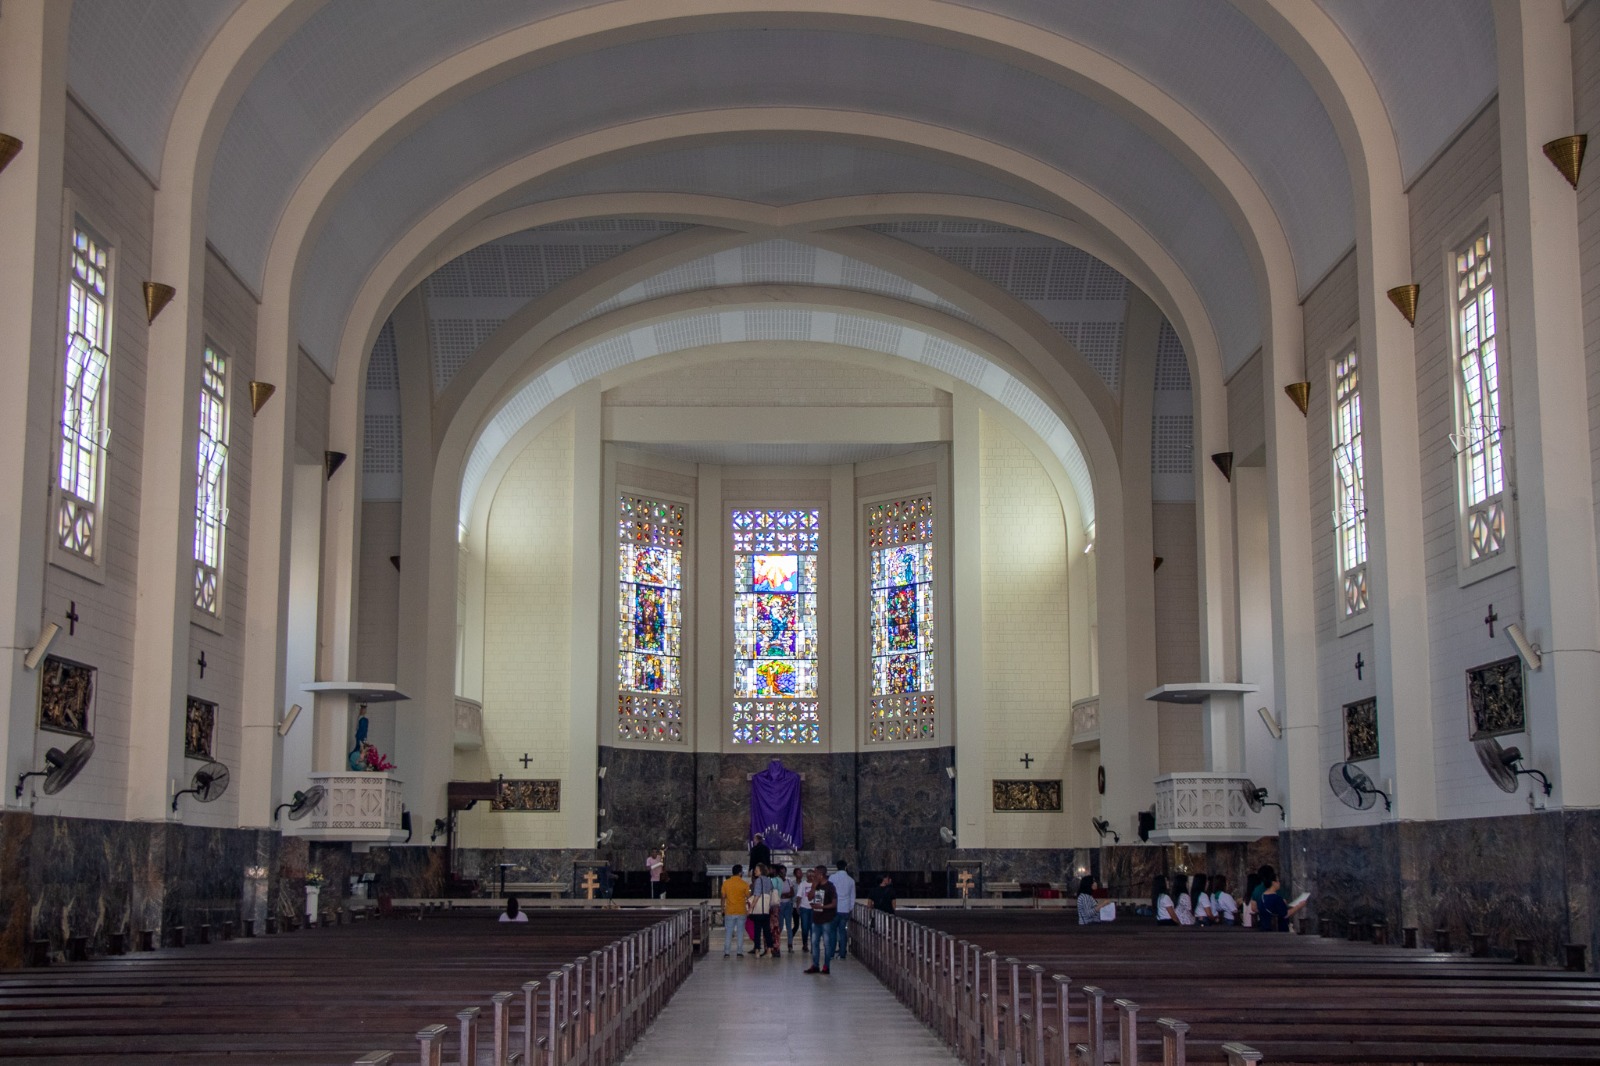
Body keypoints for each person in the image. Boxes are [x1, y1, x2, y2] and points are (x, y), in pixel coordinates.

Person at [804, 866, 838, 974]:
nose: (814, 876)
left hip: (826, 918)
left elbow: (834, 904)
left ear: (821, 875)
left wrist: (822, 907)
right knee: (814, 943)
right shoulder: (816, 886)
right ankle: (815, 965)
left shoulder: (830, 887)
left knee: (827, 943)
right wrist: (814, 886)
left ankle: (826, 966)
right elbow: (809, 897)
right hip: (816, 918)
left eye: (815, 874)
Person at [828, 860, 856, 961]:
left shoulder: (832, 878)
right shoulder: (851, 880)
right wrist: (850, 908)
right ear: (845, 867)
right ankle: (842, 953)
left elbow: (829, 893)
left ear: (837, 867)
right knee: (842, 931)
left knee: (832, 932)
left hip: (834, 908)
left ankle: (831, 953)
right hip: (845, 909)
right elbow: (853, 896)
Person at [720, 863, 750, 957]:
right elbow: (748, 897)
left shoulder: (726, 883)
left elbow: (723, 897)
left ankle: (727, 952)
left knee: (729, 932)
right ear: (740, 872)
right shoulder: (744, 884)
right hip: (741, 911)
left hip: (729, 910)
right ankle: (739, 952)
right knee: (740, 932)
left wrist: (722, 909)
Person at [748, 864, 776, 956]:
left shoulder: (758, 880)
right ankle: (769, 950)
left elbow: (757, 894)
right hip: (766, 909)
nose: (755, 871)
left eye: (756, 869)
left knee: (757, 930)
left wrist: (751, 907)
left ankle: (757, 950)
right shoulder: (768, 880)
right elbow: (771, 891)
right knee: (767, 930)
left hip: (759, 909)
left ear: (761, 870)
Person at [793, 865, 814, 952]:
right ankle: (805, 944)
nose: (812, 877)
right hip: (804, 908)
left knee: (813, 928)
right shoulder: (803, 884)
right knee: (805, 927)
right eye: (811, 875)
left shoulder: (815, 884)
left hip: (813, 908)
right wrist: (798, 907)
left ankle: (813, 945)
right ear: (808, 876)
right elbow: (799, 896)